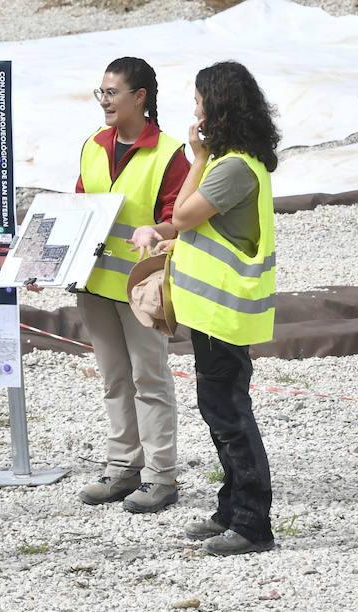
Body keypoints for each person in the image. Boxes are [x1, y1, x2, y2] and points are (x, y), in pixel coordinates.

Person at [132, 60, 280, 556]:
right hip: (211, 312)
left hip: (223, 313)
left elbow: (184, 213)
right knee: (219, 411)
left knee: (231, 415)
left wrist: (196, 156)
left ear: (217, 106)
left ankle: (253, 523)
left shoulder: (232, 166)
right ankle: (230, 508)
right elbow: (188, 225)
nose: (193, 110)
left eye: (198, 101)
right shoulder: (231, 162)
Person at [70, 57, 190, 514]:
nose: (104, 101)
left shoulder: (170, 154)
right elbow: (80, 208)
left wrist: (158, 231)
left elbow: (180, 220)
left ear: (139, 97)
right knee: (115, 378)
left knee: (150, 378)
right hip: (94, 283)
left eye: (112, 92)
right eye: (100, 92)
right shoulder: (93, 145)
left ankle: (161, 476)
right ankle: (123, 468)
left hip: (144, 285)